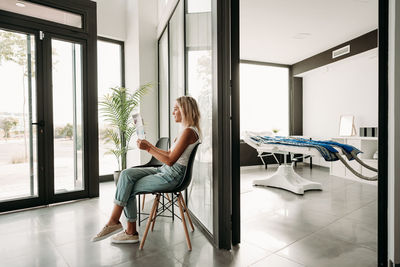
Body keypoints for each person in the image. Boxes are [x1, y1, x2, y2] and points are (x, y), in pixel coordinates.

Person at [92, 96, 201, 244]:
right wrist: (148, 145)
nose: (173, 112)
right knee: (126, 175)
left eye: (176, 109)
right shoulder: (185, 130)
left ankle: (124, 228)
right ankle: (117, 224)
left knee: (127, 186)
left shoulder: (189, 132)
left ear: (185, 111)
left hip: (173, 176)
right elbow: (168, 154)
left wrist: (148, 148)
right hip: (165, 171)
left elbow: (170, 161)